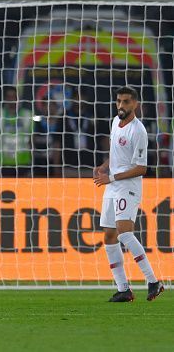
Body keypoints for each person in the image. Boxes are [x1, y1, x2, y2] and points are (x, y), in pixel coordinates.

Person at [93, 87, 164, 302]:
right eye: (119, 102)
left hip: (128, 186)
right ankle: (123, 288)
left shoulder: (138, 131)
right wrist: (105, 167)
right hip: (113, 184)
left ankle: (153, 281)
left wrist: (112, 177)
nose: (121, 106)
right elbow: (116, 154)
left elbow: (142, 168)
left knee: (124, 233)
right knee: (109, 235)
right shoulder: (116, 122)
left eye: (126, 102)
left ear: (135, 104)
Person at [0, 86, 33, 177]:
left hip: (23, 163)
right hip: (2, 163)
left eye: (14, 96)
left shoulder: (28, 115)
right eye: (9, 96)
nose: (11, 99)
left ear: (18, 98)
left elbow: (33, 140)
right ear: (5, 99)